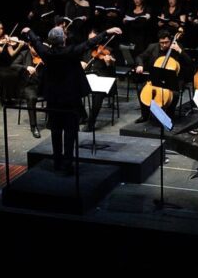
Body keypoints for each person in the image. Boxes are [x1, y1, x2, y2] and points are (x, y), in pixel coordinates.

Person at [22, 25, 123, 175]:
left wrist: (29, 31)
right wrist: (106, 32)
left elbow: (36, 42)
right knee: (70, 132)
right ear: (63, 39)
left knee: (56, 132)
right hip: (70, 98)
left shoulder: (46, 53)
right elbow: (89, 43)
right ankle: (67, 164)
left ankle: (57, 162)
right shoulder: (71, 52)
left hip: (54, 98)